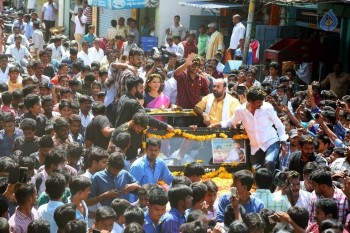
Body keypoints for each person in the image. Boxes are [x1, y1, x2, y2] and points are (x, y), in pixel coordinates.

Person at [214, 86, 287, 172]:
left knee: (269, 162)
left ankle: (267, 185)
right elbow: (231, 122)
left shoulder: (267, 108)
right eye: (259, 102)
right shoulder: (240, 110)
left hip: (271, 141)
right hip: (255, 146)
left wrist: (283, 142)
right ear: (250, 101)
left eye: (262, 102)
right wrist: (219, 124)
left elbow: (279, 125)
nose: (262, 104)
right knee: (256, 169)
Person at [174, 53, 209, 126]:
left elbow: (207, 96)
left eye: (197, 66)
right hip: (182, 112)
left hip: (196, 112)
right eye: (193, 66)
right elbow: (176, 74)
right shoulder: (183, 75)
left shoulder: (202, 79)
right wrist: (185, 64)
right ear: (188, 66)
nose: (195, 68)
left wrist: (200, 99)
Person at [83, 147, 109, 228]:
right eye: (104, 162)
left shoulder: (105, 177)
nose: (106, 165)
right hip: (88, 224)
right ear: (94, 163)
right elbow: (82, 203)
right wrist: (104, 196)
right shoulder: (83, 179)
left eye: (107, 162)